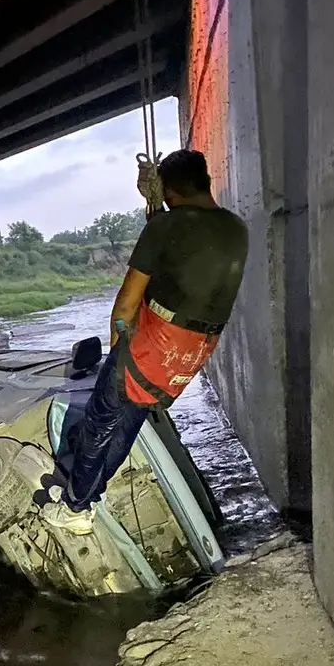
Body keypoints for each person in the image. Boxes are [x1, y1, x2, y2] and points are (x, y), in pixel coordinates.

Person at [41, 149, 249, 534]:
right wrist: (158, 205)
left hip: (150, 345)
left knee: (100, 424)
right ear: (204, 180)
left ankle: (75, 509)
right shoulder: (235, 228)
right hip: (188, 355)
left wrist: (117, 345)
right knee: (130, 421)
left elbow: (129, 296)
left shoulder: (165, 226)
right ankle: (91, 492)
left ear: (169, 190)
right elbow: (180, 252)